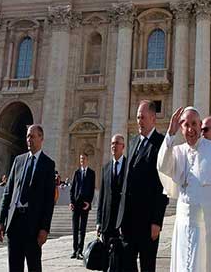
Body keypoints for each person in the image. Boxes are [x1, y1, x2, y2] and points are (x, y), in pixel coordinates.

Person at [157, 107, 211, 271]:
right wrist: (170, 134)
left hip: (209, 225)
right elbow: (163, 166)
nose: (190, 129)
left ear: (200, 126)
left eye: (194, 124)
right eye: (186, 125)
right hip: (183, 223)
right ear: (181, 128)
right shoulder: (177, 151)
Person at [117, 100, 168, 272]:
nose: (139, 121)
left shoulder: (160, 144)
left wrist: (157, 220)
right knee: (127, 264)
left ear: (153, 118)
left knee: (147, 265)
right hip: (128, 220)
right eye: (138, 117)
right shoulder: (133, 143)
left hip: (147, 221)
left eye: (143, 117)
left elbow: (163, 186)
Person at [0, 124, 56, 272]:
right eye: (27, 136)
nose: (29, 139)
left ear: (41, 138)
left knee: (34, 266)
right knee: (14, 267)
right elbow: (8, 192)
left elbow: (49, 201)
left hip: (34, 225)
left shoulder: (48, 164)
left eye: (32, 136)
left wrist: (45, 228)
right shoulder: (18, 160)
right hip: (15, 221)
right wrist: (1, 221)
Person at [97, 134, 127, 272]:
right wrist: (99, 221)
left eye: (117, 143)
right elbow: (102, 196)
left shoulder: (129, 166)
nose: (114, 146)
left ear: (123, 146)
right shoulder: (106, 168)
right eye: (112, 144)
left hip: (123, 221)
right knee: (105, 259)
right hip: (107, 221)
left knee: (122, 258)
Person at [69, 153, 95, 259]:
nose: (82, 160)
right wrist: (71, 202)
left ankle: (80, 250)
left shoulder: (91, 173)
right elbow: (72, 188)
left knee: (82, 229)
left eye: (83, 158)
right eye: (80, 159)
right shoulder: (76, 173)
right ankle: (75, 250)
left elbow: (92, 189)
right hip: (76, 204)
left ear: (87, 159)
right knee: (75, 228)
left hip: (85, 204)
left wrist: (89, 202)